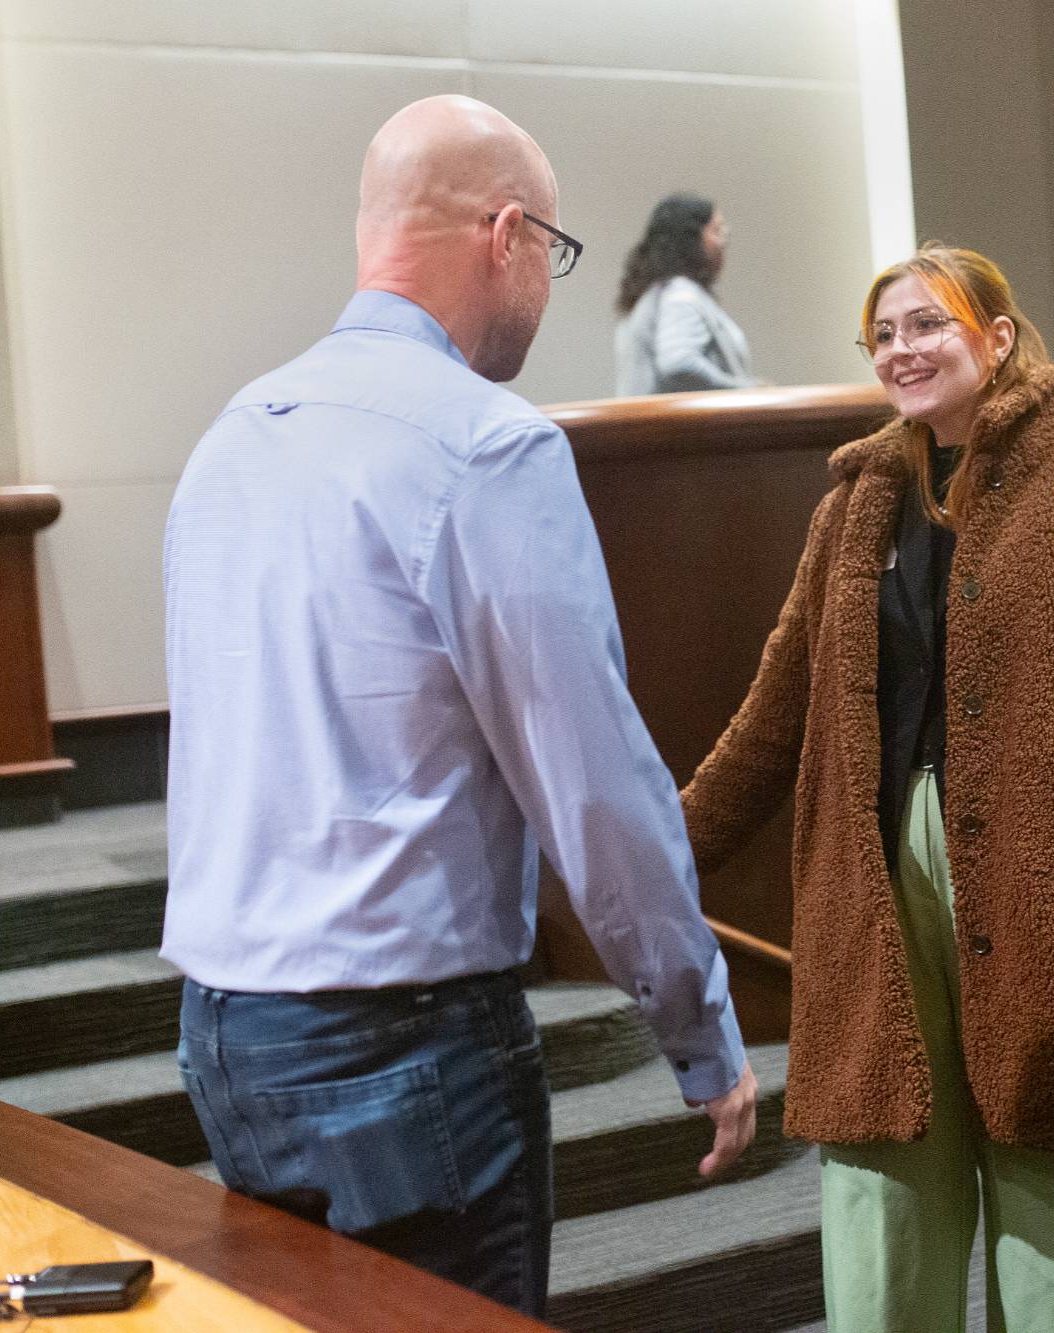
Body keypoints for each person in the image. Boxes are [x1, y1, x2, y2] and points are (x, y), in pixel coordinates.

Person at [161, 95, 757, 1319]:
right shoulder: (486, 446)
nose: (546, 281)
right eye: (553, 249)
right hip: (405, 1046)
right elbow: (593, 784)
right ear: (506, 234)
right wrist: (697, 1022)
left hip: (225, 1032)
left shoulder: (229, 436)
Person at [680, 243, 1054, 1332]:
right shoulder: (849, 508)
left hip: (1035, 876)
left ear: (996, 338)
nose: (901, 350)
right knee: (880, 1191)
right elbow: (773, 715)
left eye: (927, 324)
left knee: (1050, 1186)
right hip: (870, 883)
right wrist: (663, 856)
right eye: (883, 333)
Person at [613, 192, 756, 394]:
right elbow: (679, 362)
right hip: (681, 416)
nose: (724, 240)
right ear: (691, 238)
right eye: (716, 230)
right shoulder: (679, 295)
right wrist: (743, 390)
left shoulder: (659, 293)